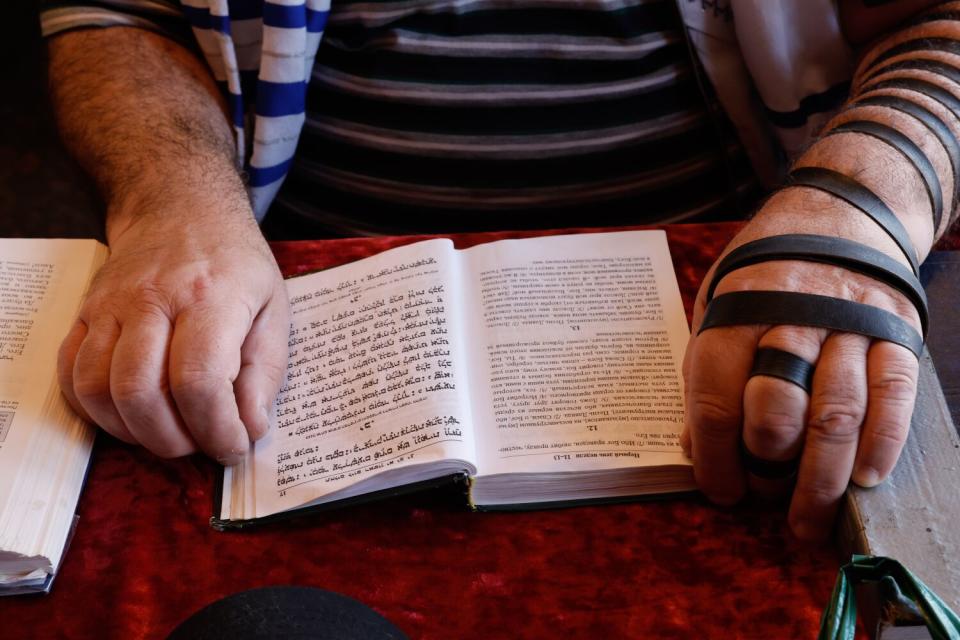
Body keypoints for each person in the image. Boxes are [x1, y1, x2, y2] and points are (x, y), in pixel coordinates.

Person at [39, 0, 958, 541]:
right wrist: (173, 195)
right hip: (287, 283)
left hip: (734, 272)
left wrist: (855, 204)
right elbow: (119, 14)